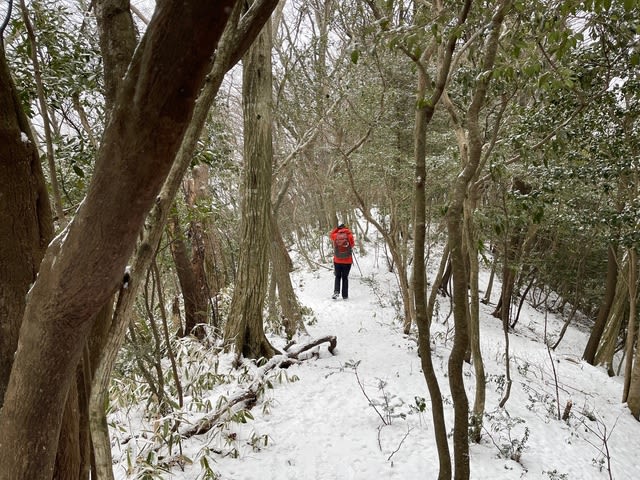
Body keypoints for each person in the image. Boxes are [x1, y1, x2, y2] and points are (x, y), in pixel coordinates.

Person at [330, 222, 355, 300]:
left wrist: (336, 229)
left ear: (339, 229)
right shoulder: (349, 235)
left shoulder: (335, 235)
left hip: (337, 260)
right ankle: (345, 295)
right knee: (345, 277)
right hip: (347, 260)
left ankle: (336, 292)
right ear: (345, 228)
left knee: (337, 276)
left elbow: (331, 234)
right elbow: (352, 245)